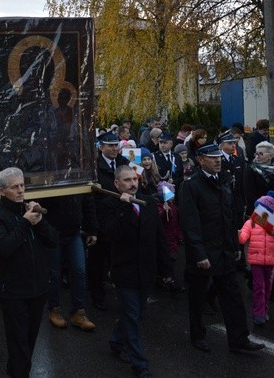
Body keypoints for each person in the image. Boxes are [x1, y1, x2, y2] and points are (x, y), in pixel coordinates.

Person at [178, 144, 264, 354]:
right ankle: (197, 336)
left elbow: (230, 216)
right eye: (212, 157)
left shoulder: (223, 181)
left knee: (233, 297)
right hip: (204, 253)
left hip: (224, 250)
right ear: (200, 159)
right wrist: (199, 253)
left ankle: (239, 340)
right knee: (197, 298)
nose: (218, 161)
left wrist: (235, 246)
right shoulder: (191, 186)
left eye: (219, 157)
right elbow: (190, 223)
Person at [0, 167, 58, 378]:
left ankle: (16, 373)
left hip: (38, 288)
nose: (20, 190)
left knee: (29, 340)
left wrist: (40, 222)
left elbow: (53, 241)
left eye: (22, 185)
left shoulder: (30, 210)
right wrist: (25, 222)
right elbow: (4, 247)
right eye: (14, 187)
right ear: (2, 190)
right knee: (18, 344)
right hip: (14, 291)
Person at [105, 166, 173, 378]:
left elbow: (159, 237)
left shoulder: (149, 202)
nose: (132, 184)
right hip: (124, 271)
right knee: (132, 315)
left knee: (134, 314)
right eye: (126, 181)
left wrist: (166, 268)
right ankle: (139, 364)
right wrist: (124, 208)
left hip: (147, 270)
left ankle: (116, 340)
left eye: (133, 180)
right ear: (117, 184)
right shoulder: (110, 204)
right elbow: (111, 234)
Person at [44, 193, 98, 332]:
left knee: (79, 270)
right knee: (53, 274)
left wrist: (92, 229)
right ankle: (54, 309)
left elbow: (88, 202)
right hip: (53, 231)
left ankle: (78, 312)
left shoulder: (80, 173)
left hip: (74, 232)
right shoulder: (48, 172)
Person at [89, 132, 129, 311]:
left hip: (120, 217)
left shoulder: (123, 163)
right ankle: (97, 296)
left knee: (120, 258)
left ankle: (122, 295)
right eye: (110, 145)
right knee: (98, 262)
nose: (114, 149)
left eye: (116, 145)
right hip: (102, 218)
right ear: (101, 147)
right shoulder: (93, 166)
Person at [239, 192, 274, 326]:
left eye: (259, 208)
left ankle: (264, 309)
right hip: (256, 260)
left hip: (270, 262)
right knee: (259, 287)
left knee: (267, 287)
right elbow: (243, 237)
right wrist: (240, 235)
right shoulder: (251, 223)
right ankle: (258, 313)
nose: (256, 212)